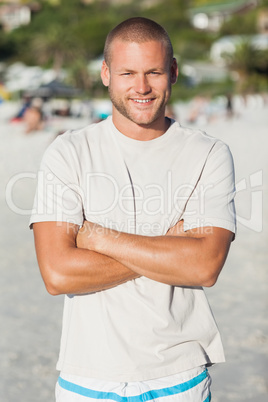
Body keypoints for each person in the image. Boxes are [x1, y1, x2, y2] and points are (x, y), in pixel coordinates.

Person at [30, 17, 236, 402]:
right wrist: (168, 247)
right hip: (87, 377)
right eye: (127, 73)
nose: (141, 87)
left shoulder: (208, 154)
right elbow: (57, 273)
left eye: (154, 72)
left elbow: (204, 266)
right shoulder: (69, 152)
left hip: (179, 377)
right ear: (106, 73)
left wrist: (97, 238)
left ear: (172, 72)